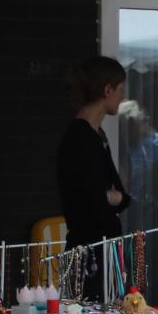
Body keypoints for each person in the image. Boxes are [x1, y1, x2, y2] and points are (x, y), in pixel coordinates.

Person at [57, 56, 131, 257]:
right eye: (120, 89)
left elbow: (118, 196)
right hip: (89, 254)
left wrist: (115, 197)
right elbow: (91, 199)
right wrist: (113, 197)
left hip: (100, 249)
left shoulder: (95, 135)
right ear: (108, 90)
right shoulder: (81, 139)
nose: (122, 96)